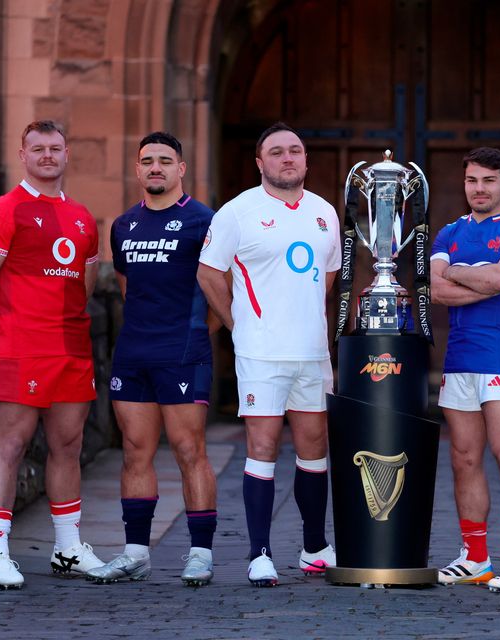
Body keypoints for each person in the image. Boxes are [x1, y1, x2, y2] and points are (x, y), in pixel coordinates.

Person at [197, 122, 340, 587]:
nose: (287, 158)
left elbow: (329, 279)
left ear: (305, 159)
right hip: (261, 354)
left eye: (295, 151)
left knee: (314, 449)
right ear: (260, 162)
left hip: (312, 353)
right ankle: (259, 553)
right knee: (261, 449)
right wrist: (242, 325)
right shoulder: (238, 212)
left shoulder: (324, 212)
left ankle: (315, 547)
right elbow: (208, 273)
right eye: (276, 152)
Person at [0, 120, 104, 588]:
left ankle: (66, 548)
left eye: (56, 148)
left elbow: (84, 287)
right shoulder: (4, 211)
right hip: (23, 347)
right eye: (38, 148)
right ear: (22, 154)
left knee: (68, 446)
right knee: (10, 444)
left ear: (68, 155)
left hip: (72, 349)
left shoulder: (84, 217)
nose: (48, 155)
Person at [85, 132, 218, 587]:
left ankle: (200, 553)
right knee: (135, 452)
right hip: (134, 353)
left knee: (188, 451)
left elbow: (223, 295)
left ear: (182, 169)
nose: (155, 167)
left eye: (165, 160)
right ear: (137, 170)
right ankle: (136, 553)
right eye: (147, 161)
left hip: (183, 353)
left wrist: (196, 336)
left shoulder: (204, 221)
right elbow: (127, 289)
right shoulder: (123, 225)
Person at [430, 148, 500, 593]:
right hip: (459, 357)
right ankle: (476, 556)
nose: (480, 188)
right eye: (473, 180)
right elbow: (437, 291)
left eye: (489, 181)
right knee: (463, 458)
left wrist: (472, 277)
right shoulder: (449, 231)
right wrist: (489, 281)